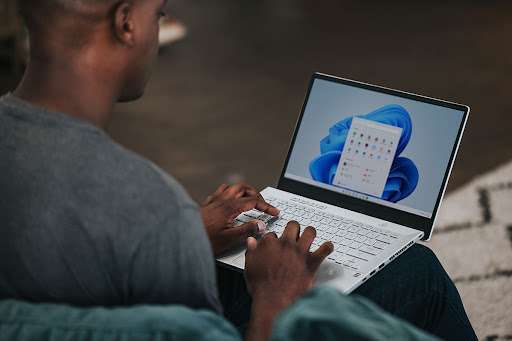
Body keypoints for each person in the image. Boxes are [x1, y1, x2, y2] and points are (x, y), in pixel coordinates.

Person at [0, 0, 477, 340]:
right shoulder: (146, 203)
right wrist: (276, 295)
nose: (156, 26)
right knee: (419, 271)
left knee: (239, 263)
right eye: (158, 13)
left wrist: (191, 233)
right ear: (126, 23)